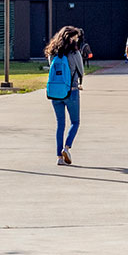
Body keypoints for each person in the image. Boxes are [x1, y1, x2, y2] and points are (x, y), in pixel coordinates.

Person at [45, 25, 86, 165]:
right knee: (75, 122)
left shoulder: (52, 53)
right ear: (72, 38)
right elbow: (81, 71)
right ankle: (67, 147)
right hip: (72, 91)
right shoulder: (75, 54)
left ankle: (59, 157)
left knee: (60, 124)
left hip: (55, 93)